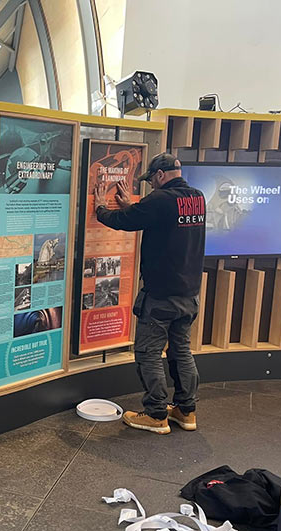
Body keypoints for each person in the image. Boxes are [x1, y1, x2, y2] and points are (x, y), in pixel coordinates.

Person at [94, 152, 206, 434]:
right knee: (181, 350)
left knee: (148, 352)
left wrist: (100, 209)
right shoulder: (197, 198)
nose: (151, 186)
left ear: (159, 175)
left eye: (151, 181)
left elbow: (126, 221)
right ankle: (186, 410)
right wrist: (133, 206)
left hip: (161, 294)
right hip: (189, 293)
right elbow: (159, 219)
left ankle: (156, 414)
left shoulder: (160, 200)